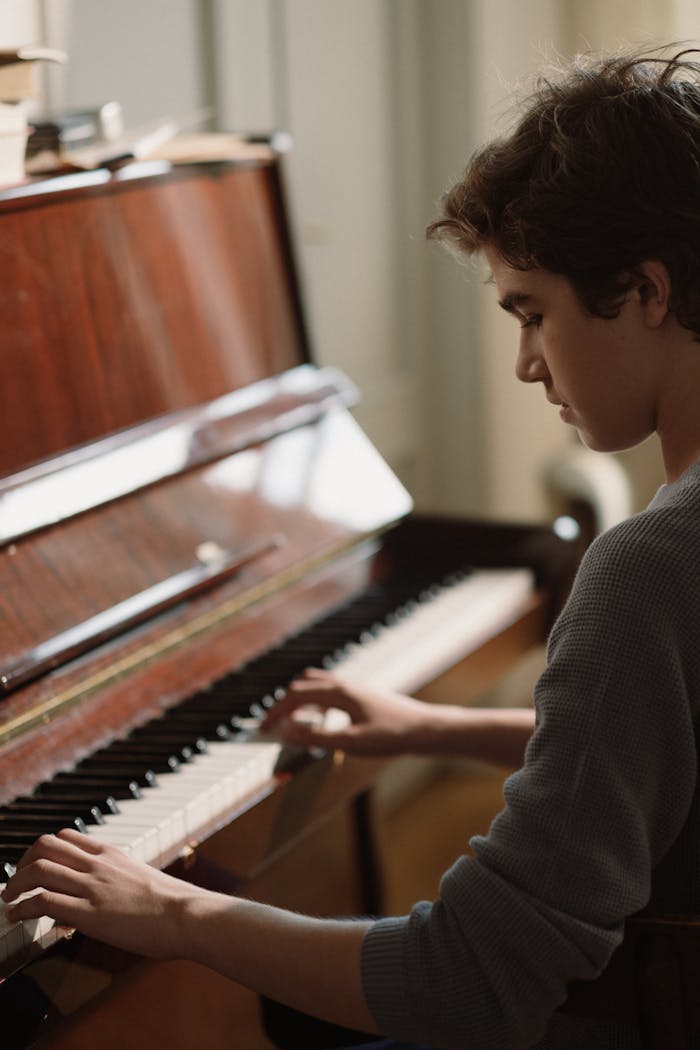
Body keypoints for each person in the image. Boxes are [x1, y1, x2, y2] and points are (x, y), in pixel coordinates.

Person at [5, 44, 700, 1050]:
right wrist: (431, 726)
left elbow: (473, 981)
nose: (522, 364)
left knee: (301, 1002)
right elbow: (651, 756)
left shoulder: (648, 566)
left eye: (530, 313)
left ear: (644, 289)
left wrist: (171, 913)